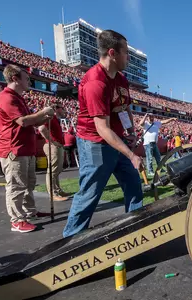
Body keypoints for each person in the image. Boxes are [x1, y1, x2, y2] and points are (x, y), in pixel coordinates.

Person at [62, 30, 143, 238]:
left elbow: (125, 108)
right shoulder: (95, 83)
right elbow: (102, 128)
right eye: (126, 52)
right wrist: (131, 154)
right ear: (112, 53)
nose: (129, 57)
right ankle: (70, 240)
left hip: (116, 139)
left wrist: (131, 132)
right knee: (91, 190)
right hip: (95, 144)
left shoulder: (122, 80)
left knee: (133, 182)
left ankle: (135, 229)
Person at [0, 64, 55, 233]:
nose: (29, 81)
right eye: (26, 78)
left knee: (28, 184)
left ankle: (29, 212)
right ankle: (17, 220)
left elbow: (32, 122)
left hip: (24, 149)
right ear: (15, 78)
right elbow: (23, 121)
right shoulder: (6, 97)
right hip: (13, 148)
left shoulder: (18, 98)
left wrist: (44, 117)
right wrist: (43, 112)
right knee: (16, 185)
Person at [38, 104, 70, 201]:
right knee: (53, 171)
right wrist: (52, 141)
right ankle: (53, 193)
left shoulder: (55, 118)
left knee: (56, 170)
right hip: (53, 146)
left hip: (56, 146)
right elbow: (41, 128)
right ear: (56, 109)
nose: (63, 109)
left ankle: (58, 190)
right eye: (62, 108)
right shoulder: (50, 117)